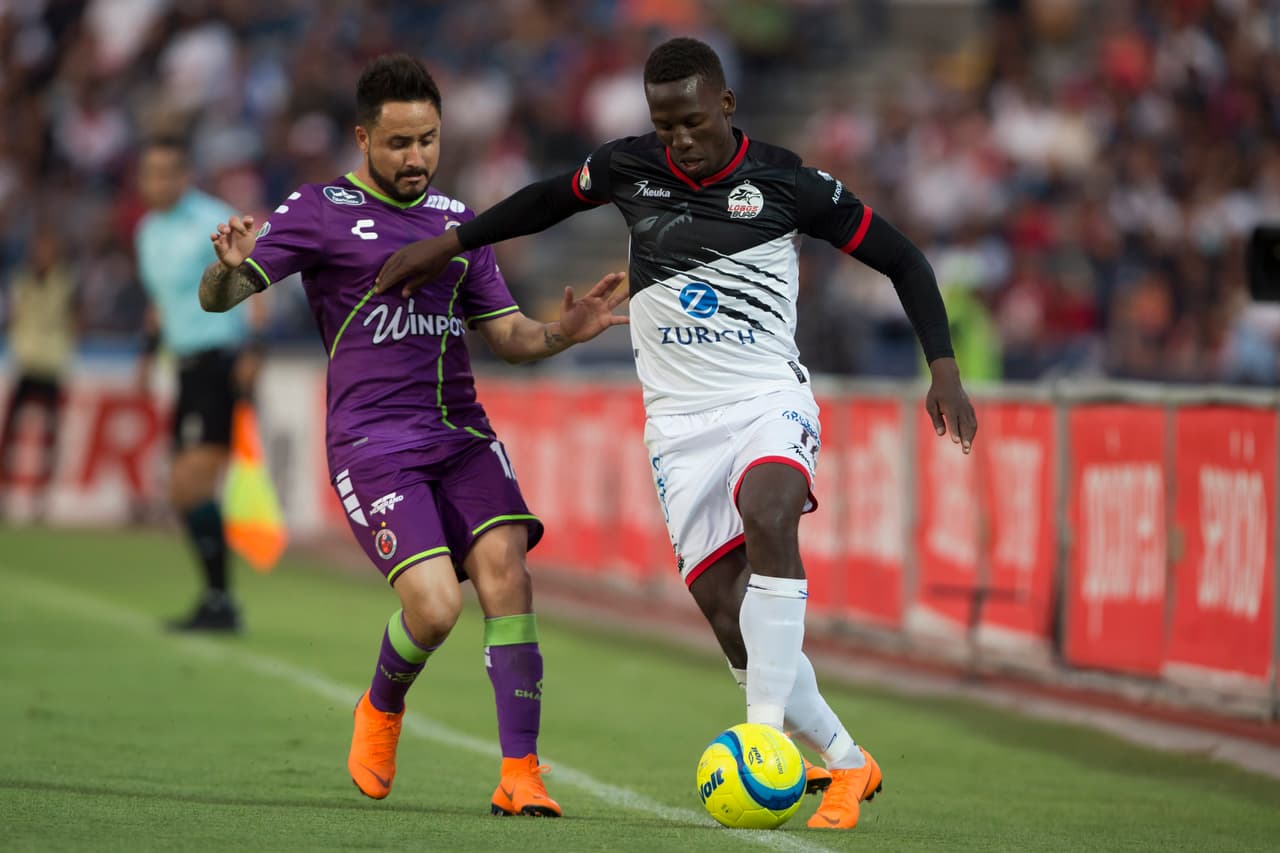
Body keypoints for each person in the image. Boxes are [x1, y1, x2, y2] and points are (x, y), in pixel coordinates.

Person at [375, 37, 978, 831]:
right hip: (679, 428)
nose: (679, 139)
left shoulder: (786, 183)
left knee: (770, 514)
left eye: (692, 121)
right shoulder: (630, 167)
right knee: (731, 619)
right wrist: (448, 243)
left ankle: (763, 739)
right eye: (665, 126)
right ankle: (846, 761)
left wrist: (943, 368)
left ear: (726, 106)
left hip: (766, 398)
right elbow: (547, 200)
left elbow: (902, 259)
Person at [197, 54, 628, 817]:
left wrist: (568, 329)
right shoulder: (321, 208)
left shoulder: (459, 225)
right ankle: (381, 707)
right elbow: (220, 298)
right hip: (372, 443)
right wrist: (227, 270)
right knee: (433, 609)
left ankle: (521, 773)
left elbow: (512, 338)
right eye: (399, 143)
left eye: (427, 139)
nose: (416, 157)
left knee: (507, 574)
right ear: (363, 138)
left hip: (460, 434)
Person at [135, 137, 265, 632]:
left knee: (192, 481)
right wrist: (147, 356)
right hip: (184, 366)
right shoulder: (147, 231)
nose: (158, 182)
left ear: (185, 175)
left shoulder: (214, 218)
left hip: (221, 362)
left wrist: (255, 348)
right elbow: (160, 300)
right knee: (182, 489)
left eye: (168, 172)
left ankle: (221, 601)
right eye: (151, 173)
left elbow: (257, 283)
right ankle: (217, 599)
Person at [0, 229, 79, 519]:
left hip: (52, 364)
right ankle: (6, 494)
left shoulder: (66, 282)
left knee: (49, 435)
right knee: (11, 435)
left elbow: (75, 319)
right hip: (26, 362)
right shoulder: (20, 280)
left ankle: (41, 499)